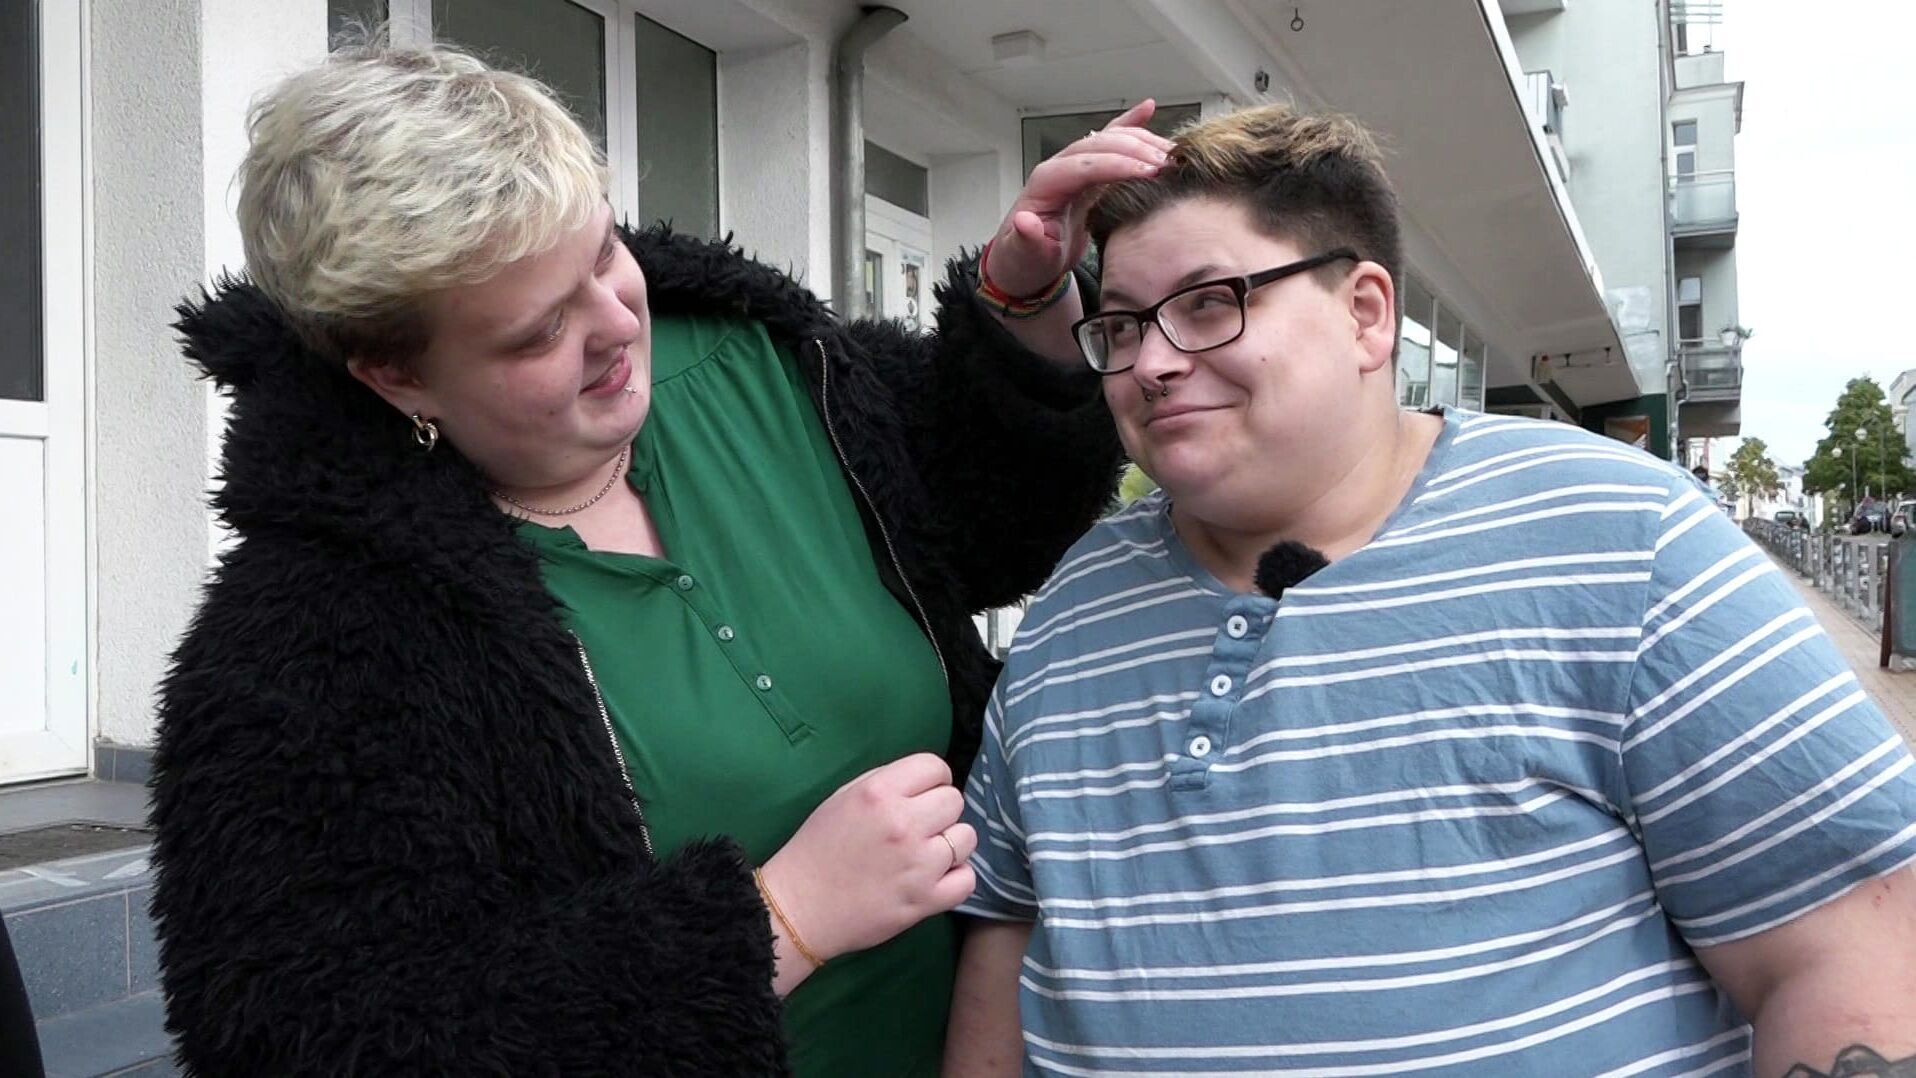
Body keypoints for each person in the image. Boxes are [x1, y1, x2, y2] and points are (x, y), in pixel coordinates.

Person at [149, 38, 1168, 1075]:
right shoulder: (305, 635)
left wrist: (1022, 306)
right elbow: (297, 1035)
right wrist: (775, 921)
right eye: (537, 332)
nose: (615, 324)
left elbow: (991, 526)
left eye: (601, 254)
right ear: (396, 375)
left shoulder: (759, 359)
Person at [944, 104, 1916, 1077]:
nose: (1152, 363)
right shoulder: (1071, 610)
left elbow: (1854, 947)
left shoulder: (1621, 539)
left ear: (1365, 314)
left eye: (1208, 303)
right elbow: (1006, 936)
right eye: (1122, 325)